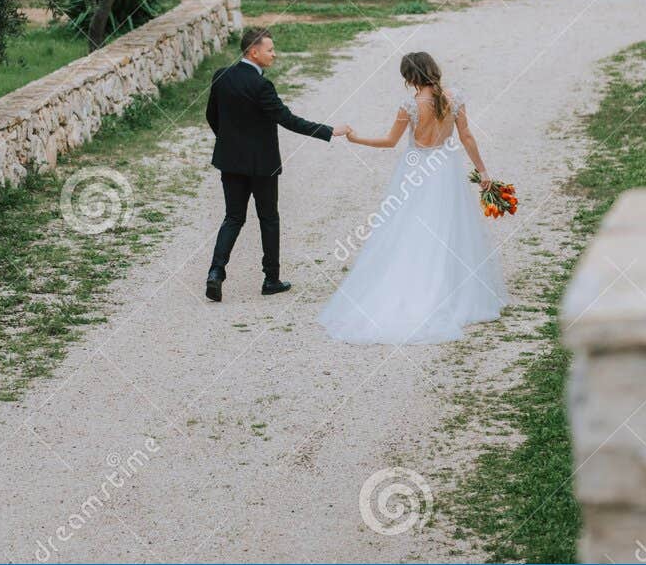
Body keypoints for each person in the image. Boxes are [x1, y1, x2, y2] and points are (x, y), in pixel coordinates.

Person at [318, 51, 508, 344]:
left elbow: (389, 142)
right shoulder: (454, 97)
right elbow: (467, 136)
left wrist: (356, 139)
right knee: (451, 228)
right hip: (446, 168)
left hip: (417, 169)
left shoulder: (410, 105)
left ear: (408, 78)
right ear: (434, 68)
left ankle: (413, 285)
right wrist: (483, 172)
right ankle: (454, 291)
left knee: (408, 226)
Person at [204, 27, 349, 302]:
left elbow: (212, 116)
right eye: (270, 50)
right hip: (262, 165)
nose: (274, 54)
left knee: (233, 217)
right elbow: (288, 119)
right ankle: (271, 279)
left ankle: (215, 272)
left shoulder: (221, 76)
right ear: (253, 52)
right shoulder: (261, 86)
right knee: (268, 218)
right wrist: (329, 130)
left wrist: (229, 143)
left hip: (230, 162)